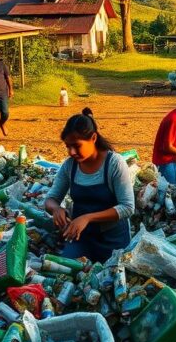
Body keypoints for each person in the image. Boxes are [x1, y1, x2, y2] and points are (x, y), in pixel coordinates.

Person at [44, 108, 134, 262]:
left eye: (76, 146)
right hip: (81, 237)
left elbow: (127, 207)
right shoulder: (69, 166)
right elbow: (50, 199)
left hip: (113, 239)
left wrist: (87, 218)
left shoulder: (114, 163)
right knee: (67, 272)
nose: (71, 152)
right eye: (67, 146)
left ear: (93, 138)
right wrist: (56, 208)